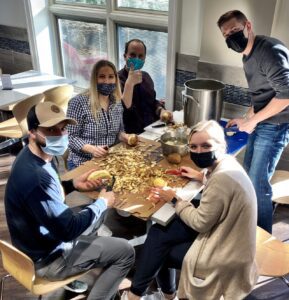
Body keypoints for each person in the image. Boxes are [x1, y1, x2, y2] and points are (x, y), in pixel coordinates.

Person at [4, 101, 135, 300]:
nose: (60, 135)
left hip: (38, 240)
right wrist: (101, 203)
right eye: (50, 130)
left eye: (63, 128)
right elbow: (68, 231)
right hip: (48, 260)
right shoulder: (35, 176)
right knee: (125, 251)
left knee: (97, 216)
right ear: (32, 132)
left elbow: (45, 198)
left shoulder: (37, 155)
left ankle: (89, 266)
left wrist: (73, 184)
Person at [122, 120, 258, 300]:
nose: (199, 151)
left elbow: (200, 223)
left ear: (221, 145)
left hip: (226, 248)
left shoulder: (222, 179)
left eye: (206, 146)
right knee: (158, 233)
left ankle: (139, 295)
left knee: (158, 249)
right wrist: (200, 176)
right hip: (226, 230)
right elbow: (220, 191)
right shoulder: (227, 164)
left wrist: (175, 199)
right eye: (193, 147)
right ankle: (164, 294)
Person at [217, 10, 289, 233]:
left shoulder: (269, 50)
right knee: (248, 174)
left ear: (248, 26)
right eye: (226, 35)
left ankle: (260, 240)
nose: (231, 37)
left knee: (258, 185)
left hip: (276, 125)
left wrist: (254, 120)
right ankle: (247, 228)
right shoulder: (247, 56)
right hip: (264, 120)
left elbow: (286, 95)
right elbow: (261, 94)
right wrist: (247, 117)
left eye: (235, 30)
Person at [66, 59, 132, 169]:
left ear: (116, 79)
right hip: (83, 161)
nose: (107, 81)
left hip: (110, 158)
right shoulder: (78, 103)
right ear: (94, 79)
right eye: (102, 77)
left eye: (111, 77)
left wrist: (125, 137)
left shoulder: (117, 102)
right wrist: (92, 149)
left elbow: (119, 132)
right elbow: (71, 137)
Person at [118, 38, 173, 134]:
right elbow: (122, 110)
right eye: (132, 55)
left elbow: (152, 101)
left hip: (153, 129)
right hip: (131, 135)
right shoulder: (116, 80)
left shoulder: (146, 77)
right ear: (125, 56)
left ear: (144, 59)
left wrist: (161, 110)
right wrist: (129, 84)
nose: (137, 59)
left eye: (141, 56)